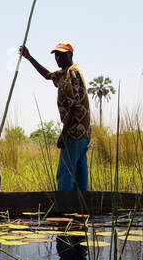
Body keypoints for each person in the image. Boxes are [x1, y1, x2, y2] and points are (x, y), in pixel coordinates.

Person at [19, 41, 91, 191]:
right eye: (56, 55)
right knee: (79, 171)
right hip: (83, 132)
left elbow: (73, 106)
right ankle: (82, 205)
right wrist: (29, 57)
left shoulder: (72, 72)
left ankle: (65, 208)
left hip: (74, 131)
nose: (58, 58)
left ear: (70, 54)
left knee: (65, 173)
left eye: (62, 55)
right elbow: (47, 75)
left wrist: (63, 134)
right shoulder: (64, 72)